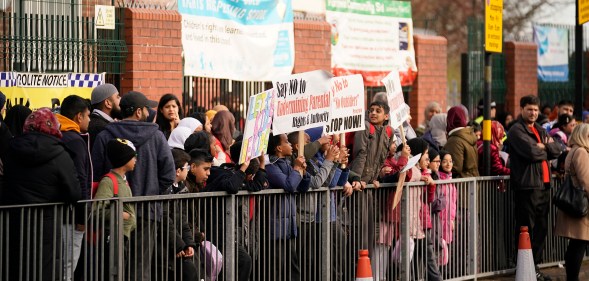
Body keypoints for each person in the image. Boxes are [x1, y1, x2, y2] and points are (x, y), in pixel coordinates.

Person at [92, 91, 175, 281]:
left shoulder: (106, 136)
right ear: (139, 112)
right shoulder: (156, 136)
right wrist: (152, 191)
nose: (148, 112)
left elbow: (96, 173)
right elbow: (168, 174)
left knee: (113, 268)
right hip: (147, 210)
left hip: (115, 211)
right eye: (146, 109)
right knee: (140, 267)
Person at [1, 108, 80, 281]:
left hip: (13, 223)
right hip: (47, 226)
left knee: (17, 269)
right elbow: (74, 192)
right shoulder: (60, 154)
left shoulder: (11, 150)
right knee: (46, 271)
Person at [505, 95, 562, 281]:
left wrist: (544, 145)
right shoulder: (516, 130)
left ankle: (535, 267)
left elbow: (558, 149)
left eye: (536, 110)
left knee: (541, 228)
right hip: (527, 186)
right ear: (522, 109)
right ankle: (524, 267)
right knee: (526, 227)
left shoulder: (539, 129)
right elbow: (531, 152)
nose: (533, 113)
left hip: (544, 185)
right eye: (529, 109)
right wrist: (547, 147)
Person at [262, 133, 311, 281]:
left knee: (292, 265)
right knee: (277, 266)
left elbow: (301, 188)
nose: (290, 144)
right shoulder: (270, 166)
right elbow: (289, 185)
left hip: (288, 225)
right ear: (278, 148)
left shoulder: (287, 164)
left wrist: (304, 172)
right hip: (275, 226)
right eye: (287, 142)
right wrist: (296, 168)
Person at [55, 95, 92, 280]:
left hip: (55, 212)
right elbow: (81, 179)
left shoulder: (56, 133)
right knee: (68, 265)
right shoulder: (76, 140)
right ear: (79, 116)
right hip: (71, 216)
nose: (89, 120)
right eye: (88, 115)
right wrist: (82, 215)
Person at [93, 138, 138, 279]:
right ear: (124, 159)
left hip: (123, 236)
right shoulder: (109, 181)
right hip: (112, 238)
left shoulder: (123, 181)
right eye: (133, 156)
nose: (136, 159)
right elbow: (96, 211)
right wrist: (121, 214)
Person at [554, 124, 589, 281]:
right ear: (583, 136)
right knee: (579, 244)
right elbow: (586, 180)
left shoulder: (573, 151)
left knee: (576, 244)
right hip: (582, 204)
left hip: (575, 203)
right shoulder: (581, 152)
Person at [158, 148, 198, 281]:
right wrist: (179, 245)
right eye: (186, 167)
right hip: (164, 248)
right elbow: (165, 220)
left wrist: (189, 244)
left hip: (177, 244)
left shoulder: (180, 188)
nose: (187, 169)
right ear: (178, 170)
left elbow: (182, 219)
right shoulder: (164, 190)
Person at [444, 106, 479, 178]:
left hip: (462, 185)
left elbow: (456, 167)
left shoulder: (455, 140)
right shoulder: (470, 135)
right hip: (473, 181)